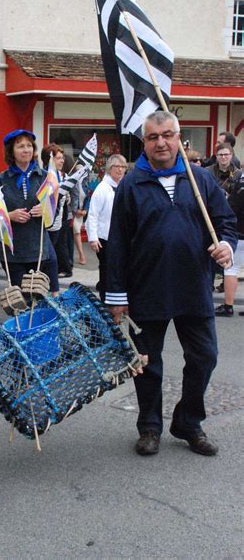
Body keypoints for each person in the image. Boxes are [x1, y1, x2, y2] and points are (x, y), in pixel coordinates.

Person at [106, 110, 237, 458]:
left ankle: (188, 422)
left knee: (205, 357)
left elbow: (226, 223)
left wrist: (224, 245)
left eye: (167, 135)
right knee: (147, 363)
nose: (161, 142)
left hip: (193, 286)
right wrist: (116, 296)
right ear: (144, 142)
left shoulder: (200, 180)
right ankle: (149, 426)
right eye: (153, 137)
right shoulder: (132, 184)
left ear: (179, 138)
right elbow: (117, 243)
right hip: (146, 288)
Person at [0, 129, 57, 293]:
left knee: (38, 297)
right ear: (11, 151)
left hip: (37, 250)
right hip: (12, 251)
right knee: (19, 300)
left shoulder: (45, 178)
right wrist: (9, 216)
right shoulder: (0, 180)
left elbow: (54, 215)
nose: (26, 150)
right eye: (20, 146)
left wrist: (46, 210)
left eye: (29, 145)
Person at [86, 154, 127, 302]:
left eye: (123, 167)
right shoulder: (102, 188)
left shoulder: (124, 186)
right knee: (107, 269)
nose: (121, 170)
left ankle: (116, 298)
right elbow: (93, 214)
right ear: (110, 169)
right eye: (117, 167)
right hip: (105, 237)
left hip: (120, 237)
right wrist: (93, 238)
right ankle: (105, 298)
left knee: (118, 269)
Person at [215, 169, 244, 317]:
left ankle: (228, 305)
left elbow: (233, 207)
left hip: (239, 232)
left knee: (231, 269)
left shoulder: (241, 180)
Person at [41, 143, 72, 278]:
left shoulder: (63, 176)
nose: (62, 160)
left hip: (59, 222)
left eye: (62, 157)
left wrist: (66, 196)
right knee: (49, 259)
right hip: (47, 224)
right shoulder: (44, 176)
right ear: (50, 159)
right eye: (58, 158)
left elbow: (65, 200)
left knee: (55, 253)